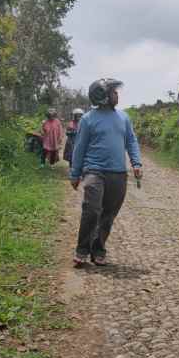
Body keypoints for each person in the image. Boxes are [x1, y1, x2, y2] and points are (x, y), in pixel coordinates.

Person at [70, 78, 142, 267]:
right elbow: (79, 148)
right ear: (102, 96)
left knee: (108, 215)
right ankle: (82, 249)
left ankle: (98, 249)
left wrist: (136, 163)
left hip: (118, 174)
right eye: (113, 92)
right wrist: (75, 174)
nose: (117, 95)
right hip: (94, 171)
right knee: (92, 211)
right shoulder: (87, 119)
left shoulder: (124, 117)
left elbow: (131, 141)